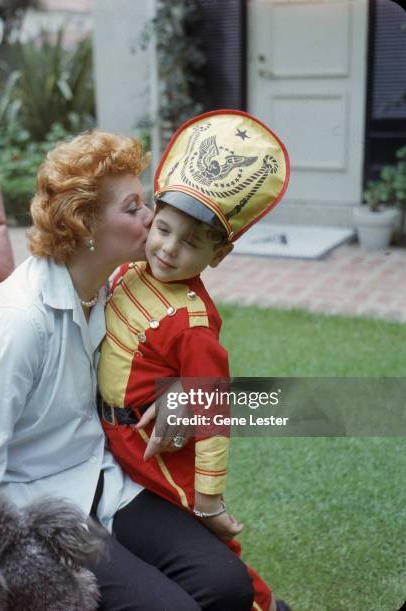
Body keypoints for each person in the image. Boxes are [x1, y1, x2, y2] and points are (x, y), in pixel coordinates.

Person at [0, 129, 254, 610]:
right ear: (84, 225)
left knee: (228, 586)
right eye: (132, 208)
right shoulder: (18, 324)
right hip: (43, 508)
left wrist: (180, 391)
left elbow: (163, 357)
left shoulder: (114, 287)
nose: (151, 218)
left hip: (105, 479)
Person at [97, 110, 291, 611]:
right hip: (114, 439)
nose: (168, 249)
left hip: (155, 450)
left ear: (218, 255)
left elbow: (211, 410)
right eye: (162, 229)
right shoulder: (130, 270)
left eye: (191, 244)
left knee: (208, 542)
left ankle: (264, 606)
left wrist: (208, 498)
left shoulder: (193, 323)